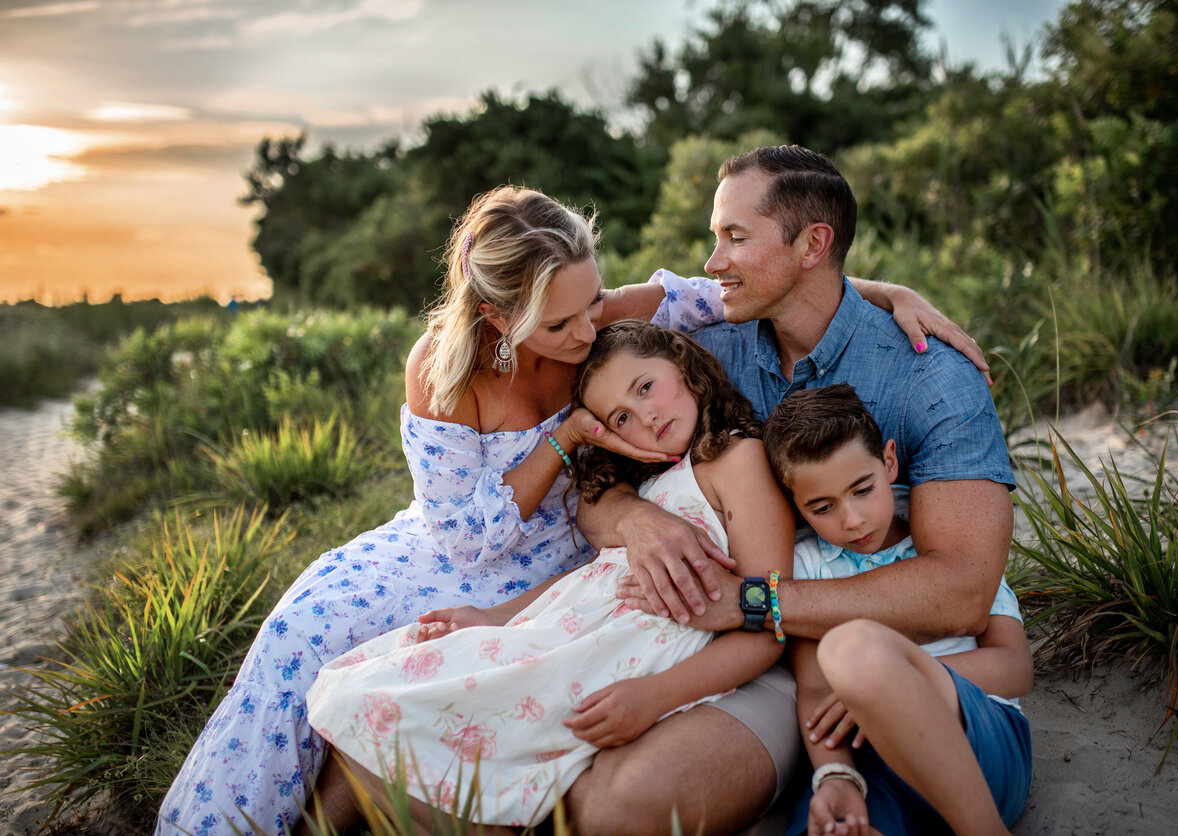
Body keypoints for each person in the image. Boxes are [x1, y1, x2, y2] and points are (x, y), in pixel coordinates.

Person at [156, 184, 959, 835]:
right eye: (561, 321)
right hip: (459, 540)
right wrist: (571, 434)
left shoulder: (612, 330)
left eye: (593, 303)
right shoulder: (443, 366)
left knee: (432, 668)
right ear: (501, 319)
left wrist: (885, 293)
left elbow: (735, 291)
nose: (587, 329)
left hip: (564, 553)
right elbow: (465, 537)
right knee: (306, 630)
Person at [567, 145, 1016, 835]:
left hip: (885, 655)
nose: (712, 263)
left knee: (627, 806)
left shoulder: (931, 377)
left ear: (813, 244)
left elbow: (962, 592)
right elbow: (592, 468)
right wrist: (634, 518)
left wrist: (753, 603)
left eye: (734, 238)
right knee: (594, 799)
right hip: (759, 658)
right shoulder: (709, 348)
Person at [302, 320, 794, 830]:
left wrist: (656, 696)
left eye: (646, 386)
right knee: (368, 697)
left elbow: (767, 624)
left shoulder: (739, 459)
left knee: (388, 711)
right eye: (621, 417)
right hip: (578, 634)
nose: (646, 416)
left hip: (639, 659)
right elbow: (593, 579)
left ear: (685, 366)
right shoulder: (646, 483)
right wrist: (494, 617)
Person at [762, 383, 1032, 836]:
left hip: (979, 741)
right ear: (796, 506)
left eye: (862, 489)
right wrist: (835, 774)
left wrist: (885, 686)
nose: (852, 519)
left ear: (889, 462)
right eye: (822, 507)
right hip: (868, 761)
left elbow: (1015, 666)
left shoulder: (944, 537)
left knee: (857, 652)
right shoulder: (804, 564)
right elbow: (813, 690)